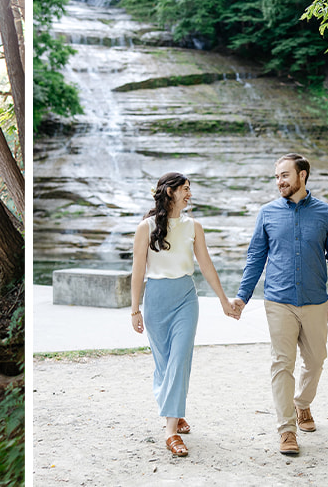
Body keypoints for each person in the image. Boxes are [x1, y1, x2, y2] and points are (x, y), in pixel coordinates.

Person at [232, 153, 328, 455]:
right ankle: (286, 430)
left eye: (285, 175)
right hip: (278, 302)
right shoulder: (267, 213)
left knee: (317, 359)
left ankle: (302, 404)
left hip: (315, 301)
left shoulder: (325, 213)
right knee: (281, 364)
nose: (280, 182)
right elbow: (256, 257)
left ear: (302, 175)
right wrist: (242, 297)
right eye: (277, 177)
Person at [130, 172, 238, 457]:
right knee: (164, 365)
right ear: (170, 192)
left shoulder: (194, 226)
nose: (190, 194)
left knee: (179, 361)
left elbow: (206, 266)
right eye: (185, 189)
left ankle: (170, 433)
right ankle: (175, 412)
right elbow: (138, 270)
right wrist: (134, 309)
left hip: (186, 299)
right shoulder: (146, 227)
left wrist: (224, 301)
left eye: (190, 189)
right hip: (156, 299)